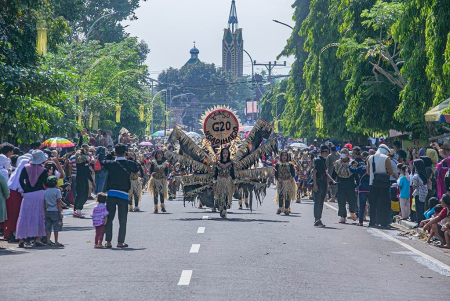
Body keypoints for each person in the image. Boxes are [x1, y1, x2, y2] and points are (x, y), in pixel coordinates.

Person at [101, 144, 140, 248]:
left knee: (109, 219)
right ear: (125, 152)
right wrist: (131, 158)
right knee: (122, 220)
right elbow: (137, 167)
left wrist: (109, 155)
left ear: (115, 152)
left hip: (111, 193)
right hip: (123, 194)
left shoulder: (111, 163)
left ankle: (108, 241)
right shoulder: (129, 164)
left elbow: (103, 161)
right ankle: (120, 242)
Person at [16, 150, 48, 247]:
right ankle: (37, 238)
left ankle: (22, 239)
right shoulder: (43, 170)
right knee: (38, 215)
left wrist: (25, 189)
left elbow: (21, 180)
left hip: (28, 194)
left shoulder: (26, 168)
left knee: (25, 215)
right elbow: (45, 183)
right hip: (39, 193)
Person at [366, 144, 397, 228]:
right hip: (384, 185)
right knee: (384, 204)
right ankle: (384, 222)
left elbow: (368, 172)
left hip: (372, 183)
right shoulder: (386, 158)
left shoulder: (370, 158)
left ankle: (372, 221)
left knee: (373, 204)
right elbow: (390, 172)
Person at [333, 148, 358, 223]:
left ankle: (353, 213)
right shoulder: (337, 163)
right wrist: (331, 182)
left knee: (352, 201)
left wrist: (358, 183)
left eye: (344, 153)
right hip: (341, 184)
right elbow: (334, 174)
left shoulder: (352, 163)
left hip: (350, 185)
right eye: (342, 152)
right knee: (341, 202)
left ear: (348, 154)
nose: (343, 154)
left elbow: (355, 174)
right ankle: (343, 216)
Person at [313, 145, 336, 226]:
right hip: (319, 183)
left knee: (321, 201)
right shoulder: (318, 160)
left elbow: (326, 173)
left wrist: (332, 181)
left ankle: (319, 218)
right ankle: (317, 219)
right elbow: (314, 172)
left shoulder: (323, 160)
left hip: (323, 183)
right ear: (325, 152)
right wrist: (315, 184)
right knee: (318, 201)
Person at [212, 148, 236, 219]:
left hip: (228, 181)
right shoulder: (218, 164)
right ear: (221, 154)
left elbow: (233, 174)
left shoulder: (231, 164)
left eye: (226, 153)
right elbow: (215, 174)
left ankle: (225, 209)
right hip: (220, 181)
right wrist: (214, 184)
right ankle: (221, 208)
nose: (225, 155)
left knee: (226, 195)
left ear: (228, 154)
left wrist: (235, 185)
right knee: (220, 195)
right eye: (223, 153)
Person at [73, 144, 95, 218]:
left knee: (78, 194)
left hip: (78, 178)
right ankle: (78, 210)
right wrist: (92, 181)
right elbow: (87, 172)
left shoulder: (78, 158)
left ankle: (75, 210)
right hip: (83, 179)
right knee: (84, 195)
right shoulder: (84, 160)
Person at [274, 151, 296, 216]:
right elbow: (276, 173)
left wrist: (290, 178)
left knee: (287, 196)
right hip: (280, 182)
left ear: (287, 157)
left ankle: (286, 209)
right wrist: (278, 179)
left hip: (288, 183)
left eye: (285, 155)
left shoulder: (290, 165)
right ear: (280, 156)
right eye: (283, 155)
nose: (284, 157)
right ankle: (280, 208)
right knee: (280, 195)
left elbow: (293, 173)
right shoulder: (278, 165)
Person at [44, 176, 64, 247]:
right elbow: (58, 202)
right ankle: (56, 241)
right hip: (55, 210)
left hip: (48, 210)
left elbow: (44, 202)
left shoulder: (45, 191)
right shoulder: (57, 191)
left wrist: (44, 212)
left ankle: (48, 241)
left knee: (48, 227)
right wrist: (60, 212)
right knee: (56, 227)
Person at [412, 159, 428, 225]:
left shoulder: (417, 174)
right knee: (422, 206)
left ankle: (419, 222)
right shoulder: (424, 172)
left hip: (418, 192)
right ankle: (421, 221)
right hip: (424, 192)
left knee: (418, 207)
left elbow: (414, 184)